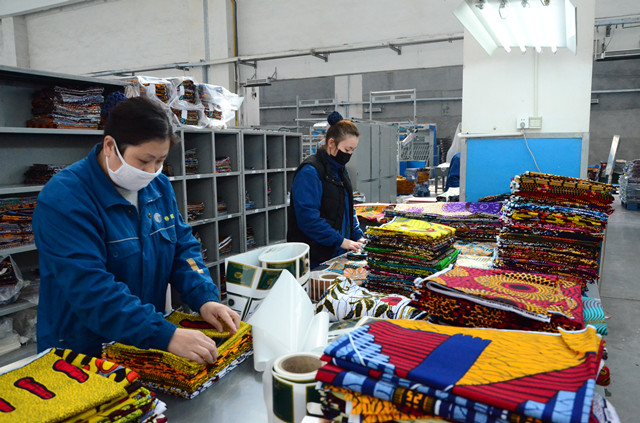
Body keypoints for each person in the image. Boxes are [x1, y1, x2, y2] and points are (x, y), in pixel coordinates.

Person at [33, 96, 239, 365]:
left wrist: (205, 298)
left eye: (160, 161)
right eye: (143, 161)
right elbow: (90, 289)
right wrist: (164, 334)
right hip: (81, 352)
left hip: (141, 344)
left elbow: (182, 247)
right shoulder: (65, 199)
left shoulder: (158, 186)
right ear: (110, 146)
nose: (151, 172)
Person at [287, 111, 365, 268]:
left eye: (353, 150)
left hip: (336, 252)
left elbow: (348, 209)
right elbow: (308, 219)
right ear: (331, 143)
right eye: (347, 149)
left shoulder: (341, 171)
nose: (349, 154)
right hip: (314, 256)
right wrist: (340, 240)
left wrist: (357, 236)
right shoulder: (310, 172)